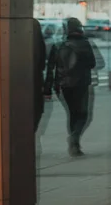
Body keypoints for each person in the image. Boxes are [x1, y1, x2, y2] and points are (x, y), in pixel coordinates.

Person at [44, 17, 104, 157]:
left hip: (62, 86)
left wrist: (47, 89)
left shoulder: (58, 45)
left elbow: (50, 69)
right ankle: (74, 139)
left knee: (72, 114)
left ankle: (75, 143)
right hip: (81, 84)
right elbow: (93, 64)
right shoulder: (85, 44)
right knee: (83, 115)